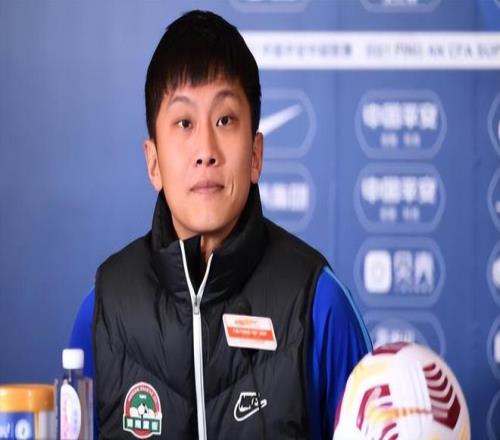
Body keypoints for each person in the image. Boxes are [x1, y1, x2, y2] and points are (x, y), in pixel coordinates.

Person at [70, 10, 371, 440]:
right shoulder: (103, 310)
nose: (205, 150)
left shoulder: (319, 305)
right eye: (184, 123)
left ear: (255, 154)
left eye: (225, 120)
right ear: (153, 162)